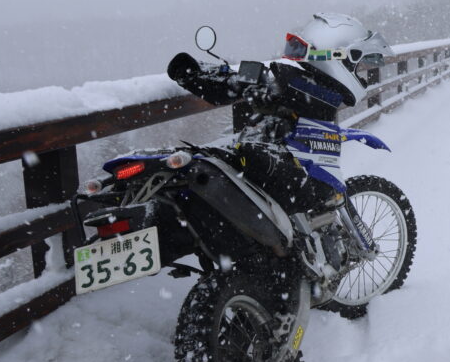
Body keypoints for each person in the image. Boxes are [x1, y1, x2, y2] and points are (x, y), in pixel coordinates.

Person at [167, 13, 392, 214]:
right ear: (339, 57)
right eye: (359, 65)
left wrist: (197, 76)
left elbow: (240, 84)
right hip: (268, 182)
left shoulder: (294, 85)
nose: (362, 72)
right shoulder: (302, 90)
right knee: (307, 195)